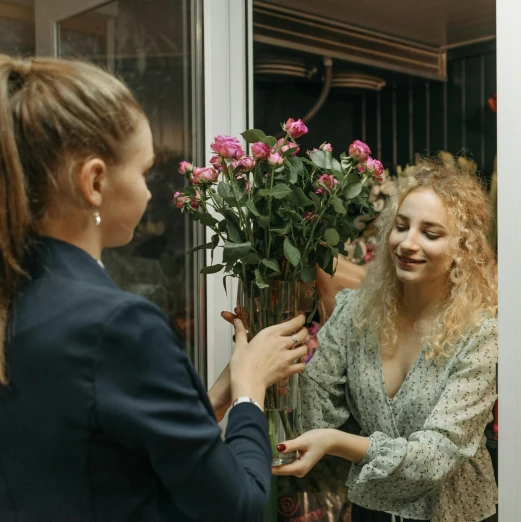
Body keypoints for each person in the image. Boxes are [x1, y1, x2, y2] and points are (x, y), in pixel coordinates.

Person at [0, 55, 309, 522]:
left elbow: (95, 445)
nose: (149, 193)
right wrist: (250, 391)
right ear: (96, 181)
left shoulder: (18, 298)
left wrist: (218, 394)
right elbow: (238, 508)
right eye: (144, 174)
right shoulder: (119, 325)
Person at [277, 158, 499, 522]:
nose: (407, 243)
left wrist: (337, 443)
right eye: (400, 226)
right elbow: (315, 414)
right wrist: (284, 361)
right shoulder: (355, 311)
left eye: (430, 233)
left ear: (462, 247)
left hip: (452, 514)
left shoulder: (481, 332)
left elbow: (437, 454)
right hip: (373, 511)